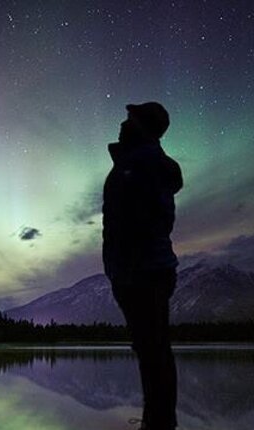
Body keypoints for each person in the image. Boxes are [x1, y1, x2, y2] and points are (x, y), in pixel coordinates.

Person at [102, 102, 183, 430]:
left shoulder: (144, 162)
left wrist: (129, 261)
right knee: (151, 348)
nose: (122, 123)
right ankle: (158, 419)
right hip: (137, 269)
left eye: (129, 119)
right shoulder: (139, 161)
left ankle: (160, 421)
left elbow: (144, 219)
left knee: (153, 350)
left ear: (142, 127)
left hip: (142, 271)